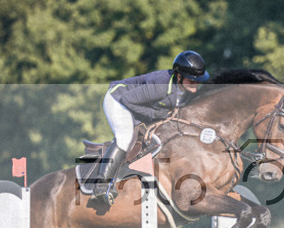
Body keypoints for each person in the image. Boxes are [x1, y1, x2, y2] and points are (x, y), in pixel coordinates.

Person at [90, 50, 211, 204]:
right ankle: (101, 185)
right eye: (192, 80)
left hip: (135, 104)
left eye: (199, 80)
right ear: (179, 76)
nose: (196, 83)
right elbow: (128, 100)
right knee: (125, 137)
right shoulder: (160, 86)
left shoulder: (187, 90)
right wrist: (158, 115)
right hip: (118, 100)